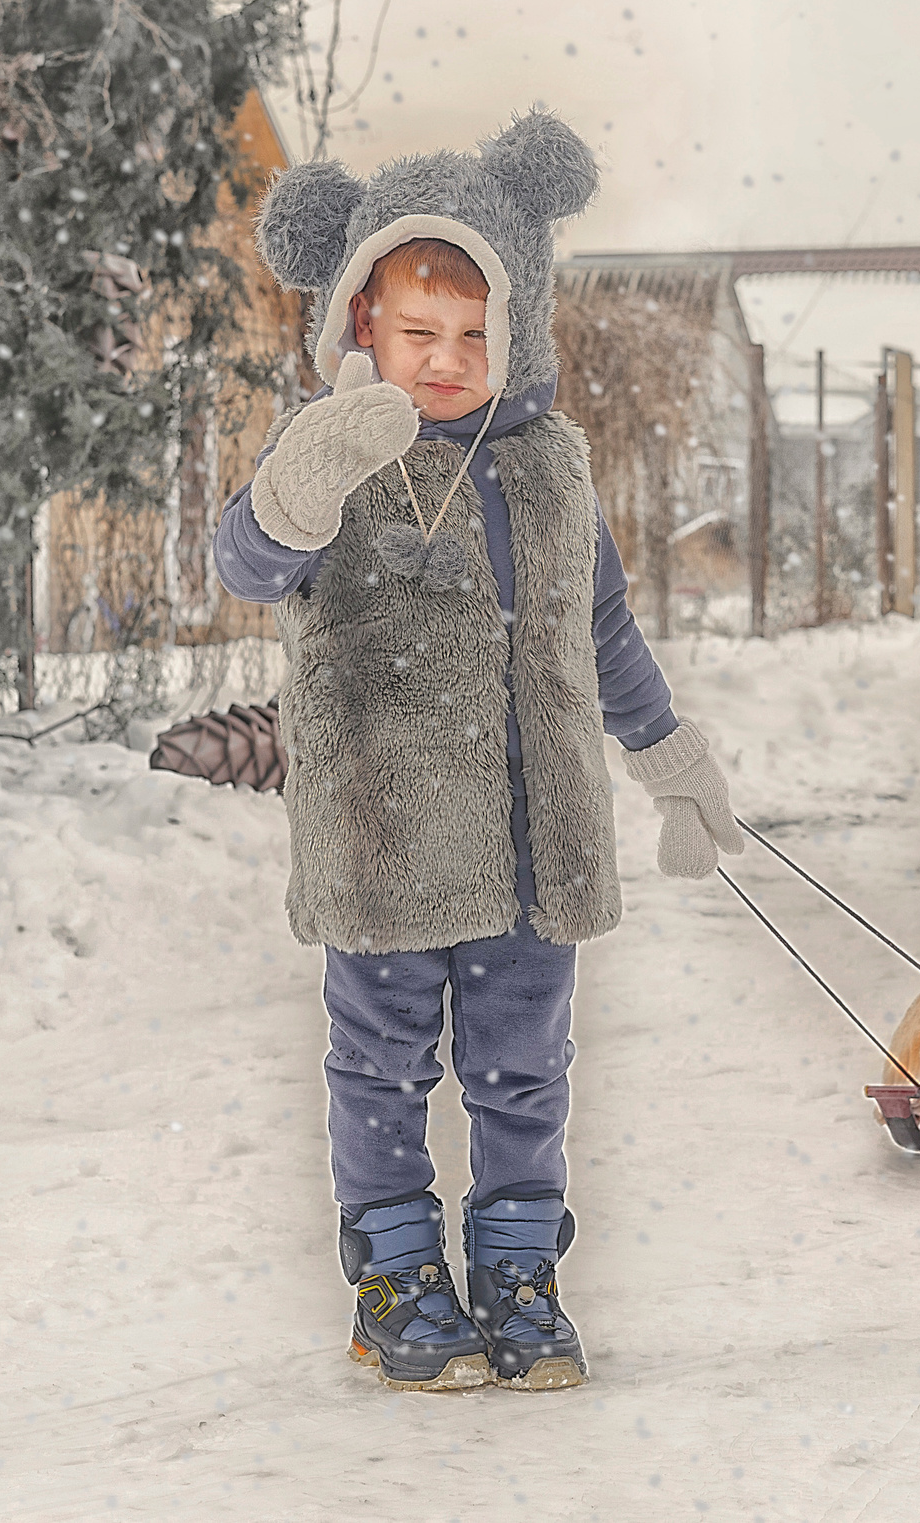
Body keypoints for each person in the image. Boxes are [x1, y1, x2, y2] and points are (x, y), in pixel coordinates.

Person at [213, 111, 737, 1392]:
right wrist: (300, 484)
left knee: (522, 1070)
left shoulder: (548, 466)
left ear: (519, 330)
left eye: (472, 333)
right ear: (357, 329)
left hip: (532, 841)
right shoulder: (329, 452)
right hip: (386, 834)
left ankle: (517, 1267)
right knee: (381, 1064)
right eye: (414, 333)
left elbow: (598, 626)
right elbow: (245, 564)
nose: (444, 361)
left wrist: (666, 754)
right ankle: (395, 1273)